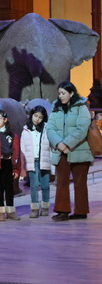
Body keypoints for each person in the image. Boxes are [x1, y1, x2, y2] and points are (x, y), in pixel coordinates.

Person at [46, 81, 93, 222]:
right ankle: (62, 211)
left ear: (71, 93)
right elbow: (50, 128)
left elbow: (82, 128)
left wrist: (67, 143)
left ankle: (81, 211)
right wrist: (59, 144)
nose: (60, 96)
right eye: (59, 93)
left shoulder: (81, 107)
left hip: (79, 150)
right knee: (61, 182)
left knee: (80, 182)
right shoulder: (56, 107)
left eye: (63, 93)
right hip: (61, 151)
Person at [20, 105, 53, 218]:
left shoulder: (47, 129)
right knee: (33, 186)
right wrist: (24, 164)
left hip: (44, 160)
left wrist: (52, 163)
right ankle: (34, 208)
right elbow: (23, 148)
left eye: (40, 117)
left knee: (45, 185)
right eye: (35, 116)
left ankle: (45, 207)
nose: (37, 119)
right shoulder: (26, 130)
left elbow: (51, 147)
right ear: (31, 115)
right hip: (32, 162)